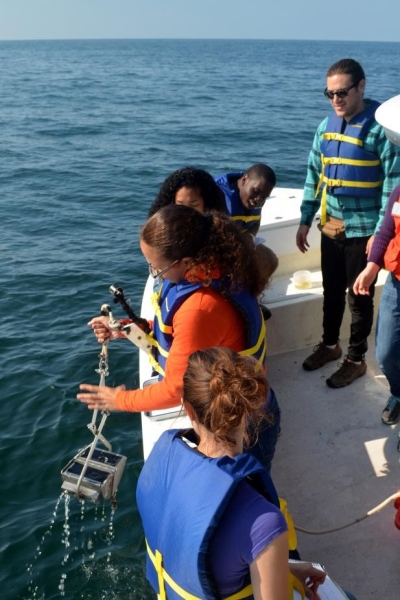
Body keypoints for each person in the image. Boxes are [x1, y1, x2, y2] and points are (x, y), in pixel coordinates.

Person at [136, 347, 355, 600]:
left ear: (189, 409)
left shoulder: (160, 465)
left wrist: (289, 567)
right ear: (246, 409)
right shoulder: (262, 522)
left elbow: (215, 563)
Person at [77, 204, 280, 471]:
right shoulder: (209, 268)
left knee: (250, 487)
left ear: (185, 262)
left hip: (245, 424)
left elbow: (176, 388)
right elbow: (176, 333)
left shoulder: (198, 307)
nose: (154, 273)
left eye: (156, 268)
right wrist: (124, 328)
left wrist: (119, 400)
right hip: (237, 404)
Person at [296, 58, 400, 388]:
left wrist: (379, 237)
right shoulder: (325, 126)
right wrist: (304, 218)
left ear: (361, 86)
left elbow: (391, 185)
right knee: (331, 292)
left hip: (364, 231)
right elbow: (315, 174)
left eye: (342, 92)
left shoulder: (381, 130)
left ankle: (355, 360)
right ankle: (330, 345)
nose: (336, 100)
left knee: (359, 297)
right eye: (330, 94)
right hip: (331, 227)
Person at [354, 94, 400, 425]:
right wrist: (371, 266)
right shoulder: (399, 190)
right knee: (386, 351)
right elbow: (386, 231)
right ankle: (398, 391)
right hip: (397, 281)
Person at [148, 166, 227, 217]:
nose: (185, 211)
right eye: (179, 205)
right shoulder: (161, 232)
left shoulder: (219, 234)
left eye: (193, 205)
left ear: (207, 204)